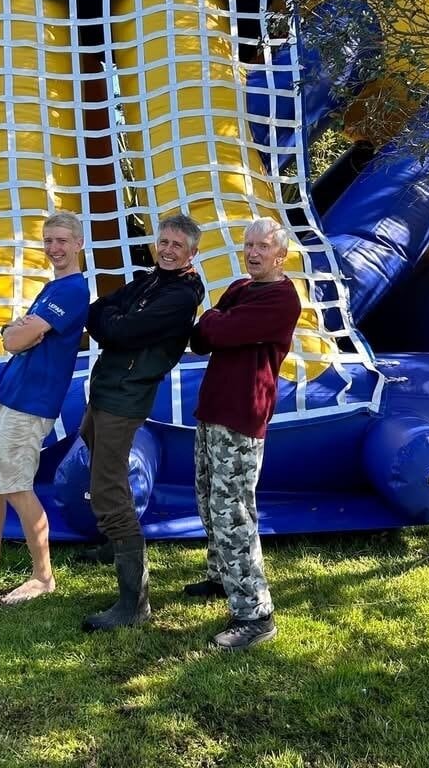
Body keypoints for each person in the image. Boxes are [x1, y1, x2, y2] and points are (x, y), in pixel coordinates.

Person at [81, 214, 205, 631]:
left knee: (107, 484)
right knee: (91, 444)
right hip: (107, 386)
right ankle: (113, 542)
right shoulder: (153, 279)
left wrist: (111, 325)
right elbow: (100, 310)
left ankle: (135, 602)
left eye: (177, 245)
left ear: (192, 253)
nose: (167, 250)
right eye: (163, 242)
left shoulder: (182, 295)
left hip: (125, 394)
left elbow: (120, 331)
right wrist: (110, 323)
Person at [185, 217, 301, 650]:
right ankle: (222, 576)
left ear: (280, 255)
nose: (253, 252)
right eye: (248, 244)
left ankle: (255, 614)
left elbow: (218, 328)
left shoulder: (282, 300)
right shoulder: (239, 289)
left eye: (262, 246)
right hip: (212, 409)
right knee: (207, 497)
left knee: (233, 511)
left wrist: (221, 321)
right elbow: (202, 338)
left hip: (242, 417)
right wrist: (220, 321)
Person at [0, 211, 90, 603]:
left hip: (31, 402)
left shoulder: (72, 289)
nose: (54, 248)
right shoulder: (51, 288)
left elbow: (14, 341)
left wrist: (20, 332)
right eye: (49, 240)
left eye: (62, 241)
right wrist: (18, 332)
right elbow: (13, 335)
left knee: (17, 487)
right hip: (7, 395)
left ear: (79, 244)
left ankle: (43, 576)